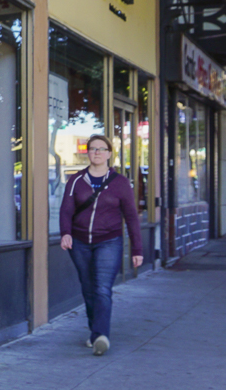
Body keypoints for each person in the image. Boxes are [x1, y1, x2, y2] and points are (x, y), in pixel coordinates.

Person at [60, 134, 143, 356]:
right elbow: (66, 209)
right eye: (92, 148)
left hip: (109, 241)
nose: (96, 152)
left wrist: (137, 249)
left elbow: (132, 216)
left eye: (101, 148)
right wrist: (66, 233)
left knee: (102, 288)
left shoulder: (120, 183)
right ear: (87, 153)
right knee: (88, 288)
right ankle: (95, 331)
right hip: (79, 242)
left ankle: (100, 336)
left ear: (108, 153)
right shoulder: (76, 180)